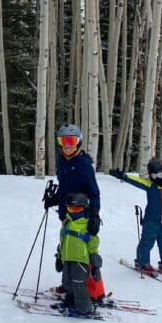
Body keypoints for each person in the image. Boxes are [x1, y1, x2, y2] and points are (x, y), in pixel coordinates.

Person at [55, 123, 104, 300]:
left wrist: (95, 215)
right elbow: (63, 186)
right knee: (68, 248)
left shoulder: (83, 164)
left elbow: (94, 191)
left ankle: (94, 291)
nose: (67, 146)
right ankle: (69, 284)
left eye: (71, 141)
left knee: (84, 251)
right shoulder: (62, 162)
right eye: (63, 141)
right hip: (66, 214)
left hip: (82, 215)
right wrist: (55, 199)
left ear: (79, 142)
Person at [58, 191, 102, 316]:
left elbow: (93, 246)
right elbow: (62, 240)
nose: (73, 211)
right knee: (67, 283)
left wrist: (95, 265)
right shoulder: (67, 223)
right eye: (71, 208)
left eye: (77, 209)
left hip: (80, 261)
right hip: (67, 259)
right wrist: (59, 256)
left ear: (84, 208)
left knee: (78, 285)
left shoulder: (88, 225)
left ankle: (85, 309)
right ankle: (71, 300)